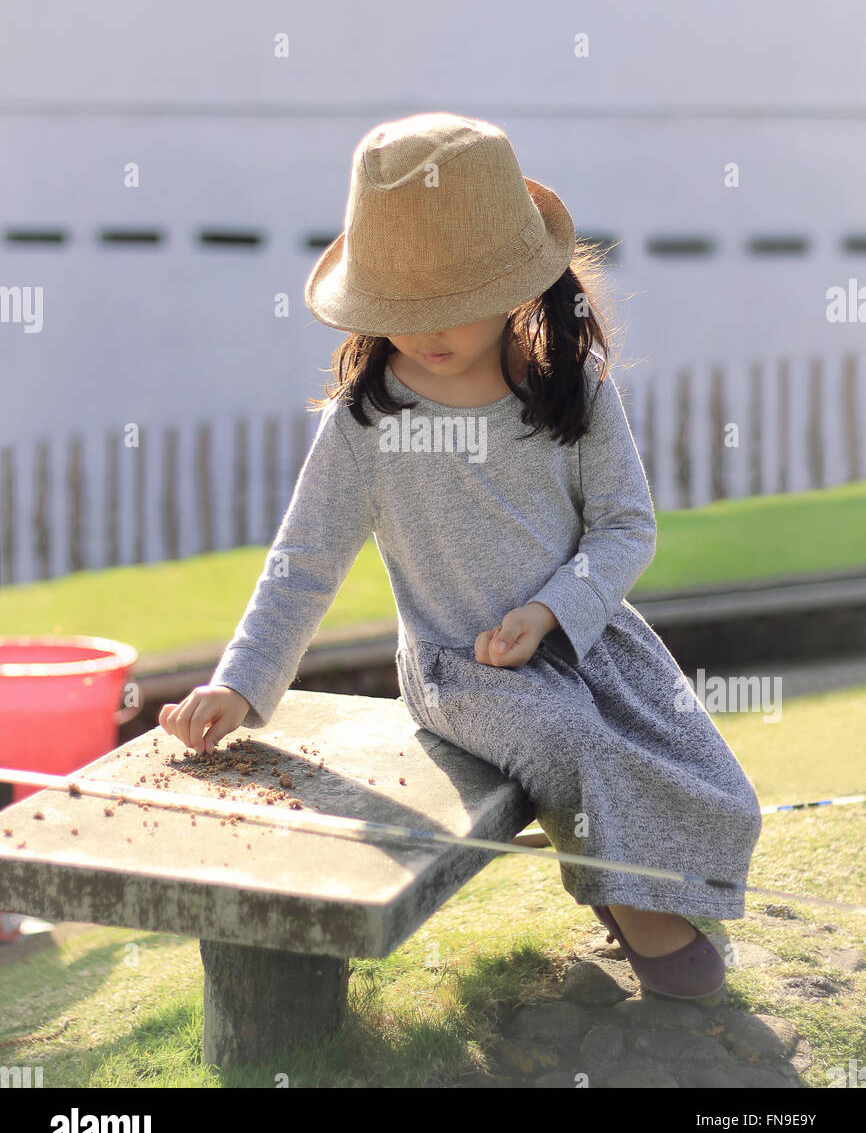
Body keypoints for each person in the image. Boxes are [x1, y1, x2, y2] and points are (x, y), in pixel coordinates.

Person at [159, 111, 763, 1001]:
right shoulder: (366, 421)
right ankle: (646, 919)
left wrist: (551, 611)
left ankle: (628, 882)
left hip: (590, 642)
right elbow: (304, 561)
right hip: (458, 670)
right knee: (570, 741)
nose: (429, 332)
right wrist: (240, 684)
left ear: (519, 281)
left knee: (710, 773)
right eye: (404, 311)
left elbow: (626, 528)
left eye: (453, 304)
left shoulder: (574, 390)